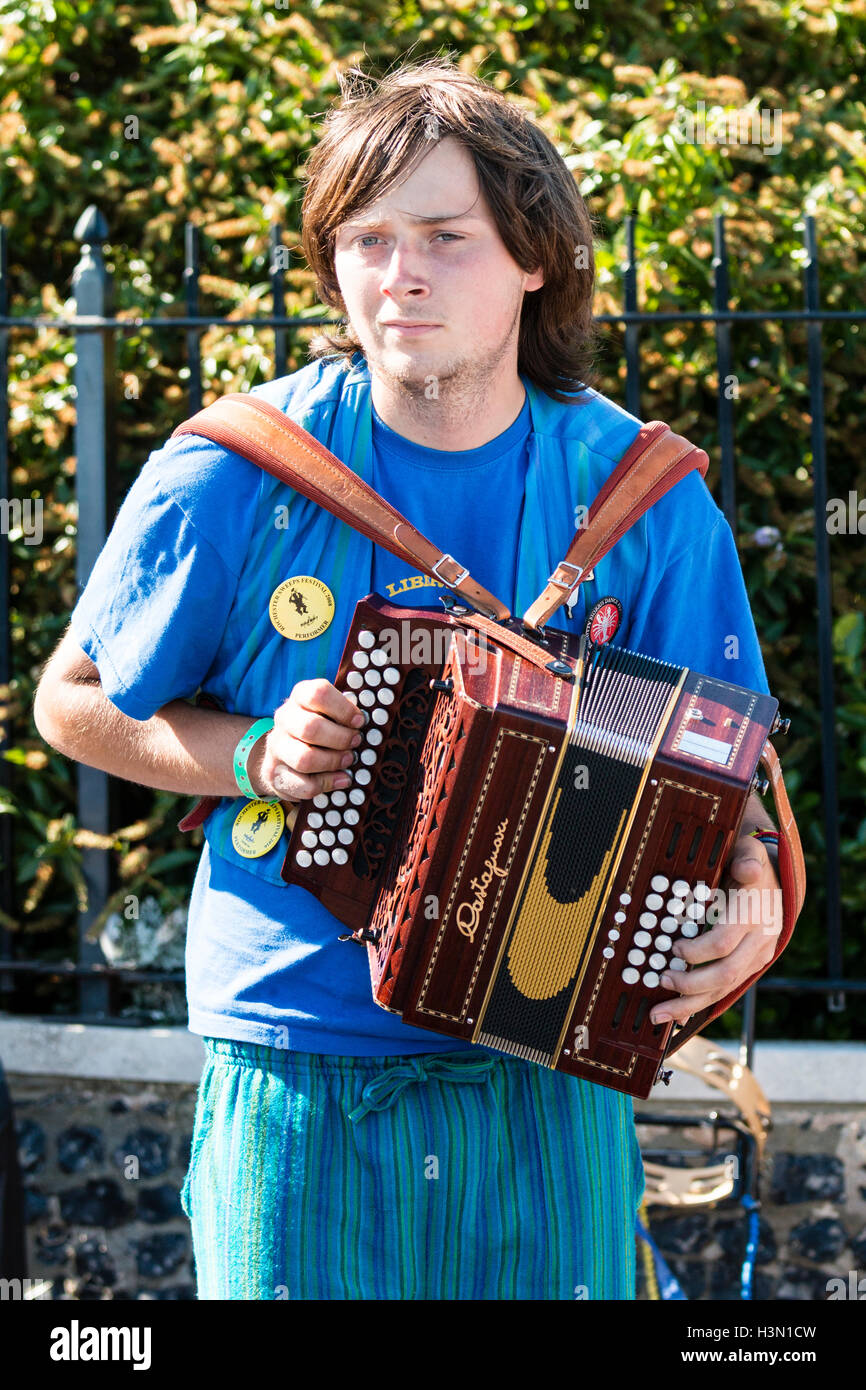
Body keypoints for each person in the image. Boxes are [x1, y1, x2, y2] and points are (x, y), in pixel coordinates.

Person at [33, 58, 782, 1300]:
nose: (401, 275)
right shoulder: (233, 467)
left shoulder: (641, 493)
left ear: (533, 257)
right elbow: (72, 701)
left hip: (543, 1062)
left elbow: (729, 772)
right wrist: (254, 752)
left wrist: (749, 892)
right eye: (367, 240)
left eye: (444, 235)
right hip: (296, 1050)